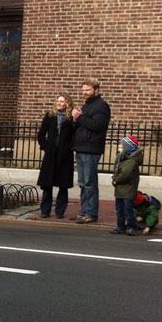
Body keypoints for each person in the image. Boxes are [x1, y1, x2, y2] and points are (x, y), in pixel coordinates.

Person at [72, 79, 111, 224]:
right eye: (83, 90)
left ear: (96, 89)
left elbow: (97, 126)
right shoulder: (86, 106)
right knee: (83, 182)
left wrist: (80, 117)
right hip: (81, 147)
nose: (84, 93)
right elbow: (80, 124)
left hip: (91, 148)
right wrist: (75, 118)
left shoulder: (102, 106)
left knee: (89, 182)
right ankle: (84, 210)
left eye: (87, 90)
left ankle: (90, 212)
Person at [35, 94, 75, 219]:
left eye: (62, 101)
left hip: (65, 154)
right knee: (47, 184)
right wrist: (46, 147)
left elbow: (75, 135)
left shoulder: (71, 118)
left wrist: (69, 147)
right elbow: (41, 134)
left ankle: (60, 211)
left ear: (67, 103)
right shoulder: (49, 116)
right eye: (57, 101)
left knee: (63, 185)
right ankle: (45, 210)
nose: (59, 103)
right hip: (51, 153)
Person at [110, 135, 142, 236]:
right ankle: (120, 226)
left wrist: (115, 179)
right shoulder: (123, 159)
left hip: (128, 190)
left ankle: (131, 227)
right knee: (120, 210)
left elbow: (125, 175)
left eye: (121, 147)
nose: (119, 149)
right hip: (120, 189)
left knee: (127, 210)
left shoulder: (130, 161)